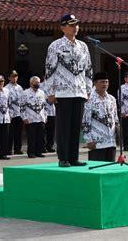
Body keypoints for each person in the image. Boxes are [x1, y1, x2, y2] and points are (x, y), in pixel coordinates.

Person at [44, 14, 92, 167]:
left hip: (79, 91)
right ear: (62, 27)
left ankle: (73, 157)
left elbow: (88, 69)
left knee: (75, 126)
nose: (75, 28)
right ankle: (63, 157)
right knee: (64, 126)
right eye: (71, 25)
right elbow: (49, 70)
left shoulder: (83, 46)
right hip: (62, 92)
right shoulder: (55, 46)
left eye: (76, 25)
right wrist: (49, 91)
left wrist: (88, 89)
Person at [82, 72, 118, 162]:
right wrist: (88, 139)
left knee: (110, 171)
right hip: (96, 143)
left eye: (106, 82)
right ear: (95, 83)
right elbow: (86, 121)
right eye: (102, 82)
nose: (105, 84)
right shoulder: (89, 99)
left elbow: (115, 118)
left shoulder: (111, 99)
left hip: (111, 142)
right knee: (96, 170)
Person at [21, 76, 47, 159]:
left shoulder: (42, 93)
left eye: (38, 83)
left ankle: (38, 152)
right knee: (31, 137)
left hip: (40, 118)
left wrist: (45, 117)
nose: (37, 84)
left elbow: (45, 106)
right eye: (35, 83)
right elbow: (21, 107)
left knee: (40, 136)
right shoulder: (25, 93)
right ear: (31, 83)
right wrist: (24, 118)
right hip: (30, 119)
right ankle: (31, 152)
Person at [5, 70, 24, 155]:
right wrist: (9, 113)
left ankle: (17, 149)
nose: (14, 78)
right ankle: (8, 149)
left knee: (18, 132)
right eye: (12, 76)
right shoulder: (6, 88)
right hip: (11, 114)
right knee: (10, 133)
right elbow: (6, 102)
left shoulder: (20, 87)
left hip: (19, 113)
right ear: (9, 77)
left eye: (16, 76)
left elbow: (22, 100)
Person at [0, 75, 11, 160]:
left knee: (5, 136)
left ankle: (3, 154)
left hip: (5, 117)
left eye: (2, 81)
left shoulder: (7, 91)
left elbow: (9, 103)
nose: (1, 83)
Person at [40, 75, 56, 153]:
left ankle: (50, 146)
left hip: (52, 111)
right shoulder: (40, 85)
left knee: (51, 130)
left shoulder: (54, 84)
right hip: (43, 111)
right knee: (43, 130)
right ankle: (42, 147)